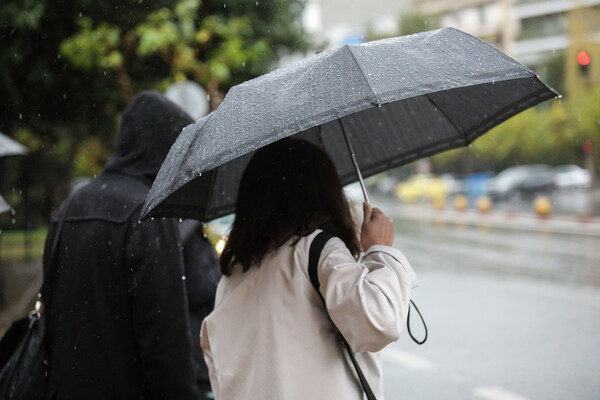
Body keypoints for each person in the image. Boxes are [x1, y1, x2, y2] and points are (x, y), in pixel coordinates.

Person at [200, 138, 418, 399]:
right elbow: (379, 323)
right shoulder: (317, 250)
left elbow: (221, 377)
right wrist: (380, 250)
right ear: (326, 193)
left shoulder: (232, 277)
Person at [42, 91, 200, 400]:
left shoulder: (71, 206)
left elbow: (53, 317)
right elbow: (166, 349)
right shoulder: (148, 213)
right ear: (165, 148)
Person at [178, 220, 221, 398]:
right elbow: (194, 287)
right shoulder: (189, 237)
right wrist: (220, 276)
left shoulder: (189, 234)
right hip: (196, 340)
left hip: (196, 338)